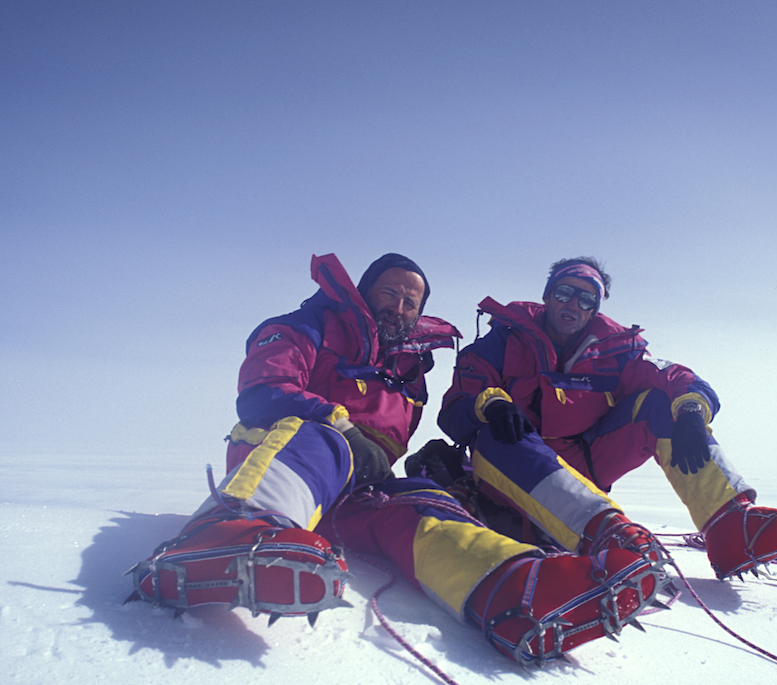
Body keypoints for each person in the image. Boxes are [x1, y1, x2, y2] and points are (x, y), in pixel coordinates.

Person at [128, 252, 672, 667]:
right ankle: (227, 533)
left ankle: (511, 588)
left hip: (361, 483)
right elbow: (262, 392)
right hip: (291, 456)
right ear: (363, 294)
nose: (401, 307)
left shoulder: (409, 370)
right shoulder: (304, 328)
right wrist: (340, 423)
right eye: (390, 293)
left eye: (412, 302)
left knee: (423, 504)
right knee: (322, 438)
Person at [437, 257, 777, 580]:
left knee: (661, 403)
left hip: (580, 469)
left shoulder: (617, 351)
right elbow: (455, 409)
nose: (573, 304)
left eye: (586, 299)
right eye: (565, 292)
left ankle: (729, 527)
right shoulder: (504, 339)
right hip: (508, 467)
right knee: (497, 429)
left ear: (595, 309)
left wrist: (691, 410)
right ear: (547, 295)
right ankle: (606, 535)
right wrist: (490, 404)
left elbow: (672, 376)